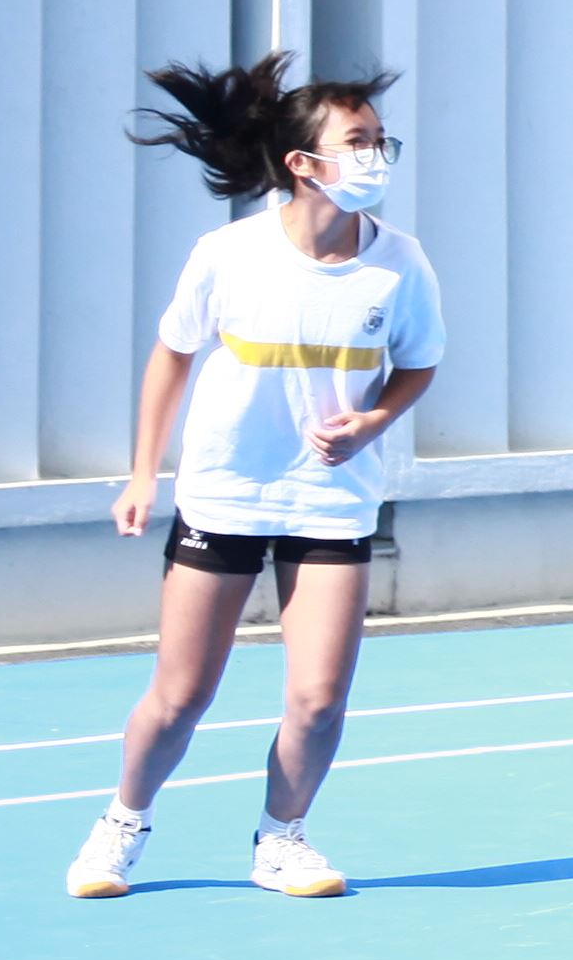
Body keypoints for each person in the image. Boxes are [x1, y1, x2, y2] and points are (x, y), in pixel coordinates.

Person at [66, 59, 442, 901]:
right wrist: (142, 474)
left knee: (319, 700)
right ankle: (122, 824)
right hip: (225, 494)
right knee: (181, 696)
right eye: (358, 141)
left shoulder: (401, 264)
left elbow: (418, 363)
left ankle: (283, 840)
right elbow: (172, 356)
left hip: (331, 501)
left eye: (381, 140)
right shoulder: (228, 254)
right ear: (304, 163)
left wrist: (373, 423)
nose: (376, 155)